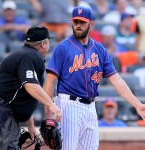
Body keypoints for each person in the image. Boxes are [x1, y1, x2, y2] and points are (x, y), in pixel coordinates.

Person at [43, 6, 145, 150]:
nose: (78, 25)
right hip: (69, 105)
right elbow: (50, 80)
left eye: (82, 22)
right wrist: (48, 111)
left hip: (91, 107)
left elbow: (116, 80)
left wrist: (137, 105)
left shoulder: (100, 50)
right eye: (75, 21)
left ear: (91, 23)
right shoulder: (63, 48)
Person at [0, 26, 61, 150]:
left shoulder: (25, 54)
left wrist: (30, 126)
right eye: (48, 42)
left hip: (8, 116)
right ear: (43, 44)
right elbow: (29, 85)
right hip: (1, 115)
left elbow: (26, 94)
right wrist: (51, 104)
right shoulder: (30, 55)